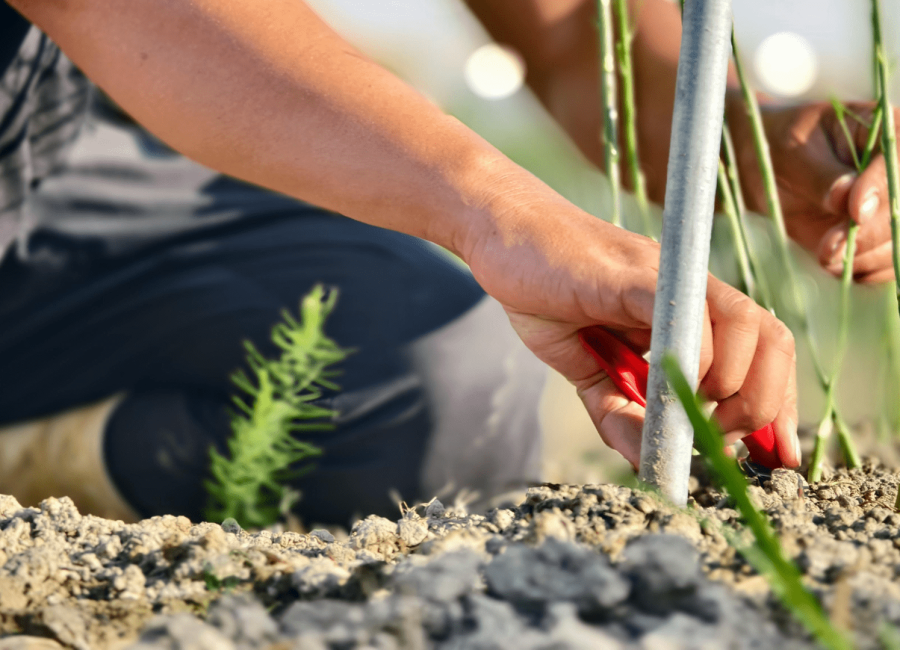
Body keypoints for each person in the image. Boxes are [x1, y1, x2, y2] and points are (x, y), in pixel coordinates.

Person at [2, 0, 885, 525]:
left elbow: (577, 43)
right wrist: (497, 211)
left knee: (434, 376)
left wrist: (744, 139)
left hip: (57, 162)